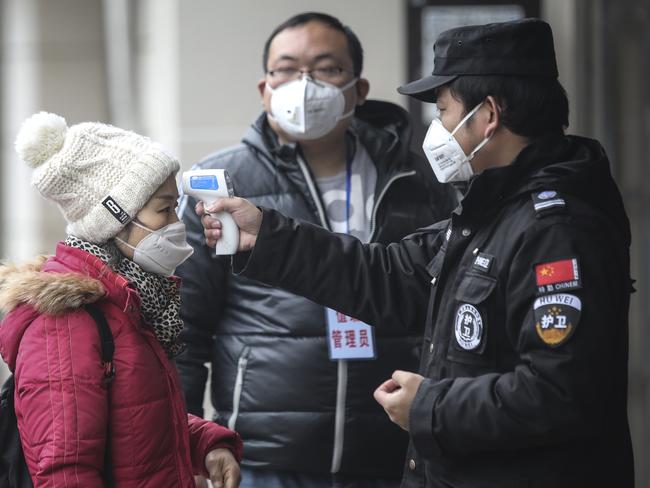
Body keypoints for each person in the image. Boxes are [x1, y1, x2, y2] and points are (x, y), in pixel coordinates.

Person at [194, 18, 634, 488]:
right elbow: (390, 275)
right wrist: (268, 235)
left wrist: (427, 406)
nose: (437, 128)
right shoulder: (491, 212)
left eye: (443, 110)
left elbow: (559, 393)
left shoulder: (556, 229)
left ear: (487, 116)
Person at [176, 11, 457, 488]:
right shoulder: (221, 186)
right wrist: (187, 440)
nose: (303, 85)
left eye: (326, 69)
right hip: (263, 457)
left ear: (359, 89)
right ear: (264, 88)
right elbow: (185, 329)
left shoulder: (419, 182)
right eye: (286, 69)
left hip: (394, 449)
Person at [0, 112, 243, 487]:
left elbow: (137, 420)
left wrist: (206, 445)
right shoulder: (66, 323)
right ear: (113, 219)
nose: (177, 224)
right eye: (163, 209)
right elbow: (66, 471)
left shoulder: (127, 302)